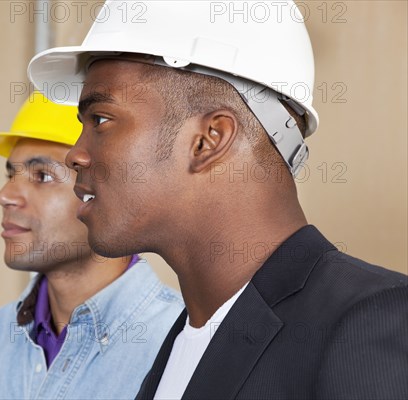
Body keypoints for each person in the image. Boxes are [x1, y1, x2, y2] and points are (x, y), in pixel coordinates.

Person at [27, 1, 408, 399]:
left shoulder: (372, 321)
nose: (74, 154)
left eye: (101, 120)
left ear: (209, 140)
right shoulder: (181, 345)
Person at [0, 92, 183, 399]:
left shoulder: (178, 345)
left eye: (42, 176)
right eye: (10, 174)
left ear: (109, 192)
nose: (5, 195)